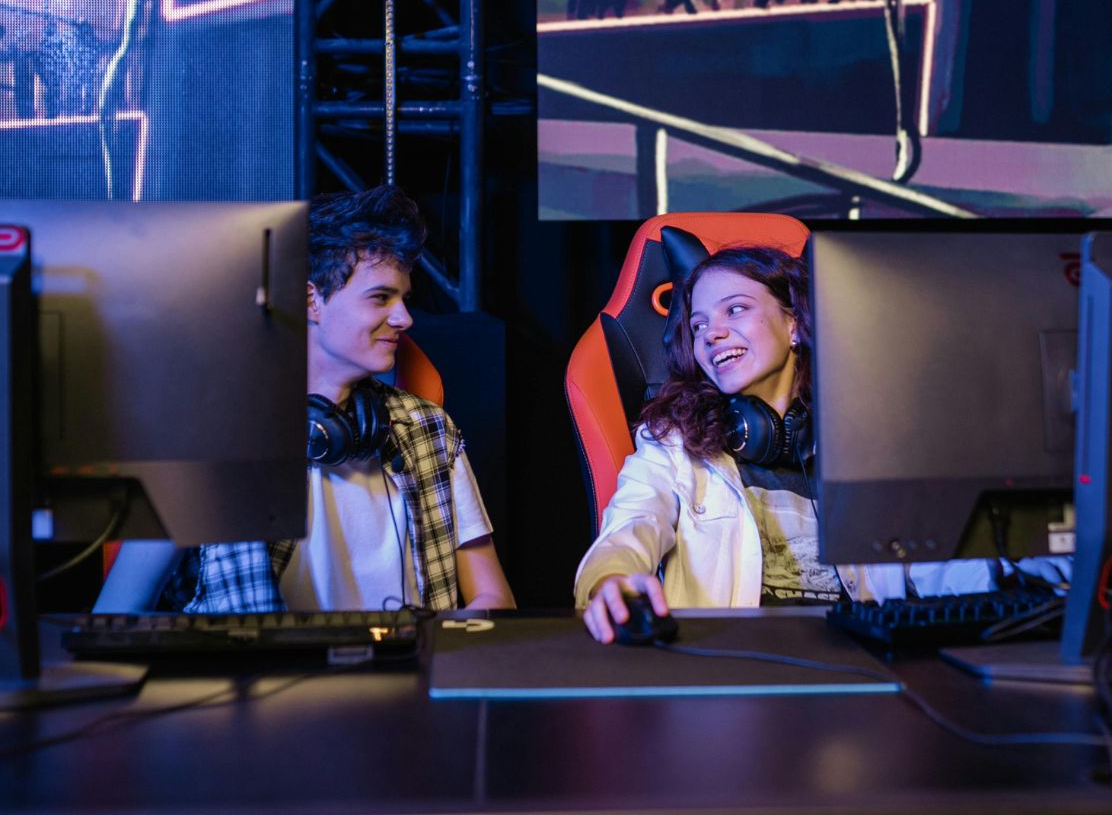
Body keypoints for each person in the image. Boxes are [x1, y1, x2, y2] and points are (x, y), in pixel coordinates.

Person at [574, 245, 1062, 643]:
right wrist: (612, 581)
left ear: (794, 325)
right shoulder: (673, 445)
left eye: (735, 309)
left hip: (860, 676)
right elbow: (631, 526)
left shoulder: (870, 442)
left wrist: (1034, 567)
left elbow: (933, 570)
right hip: (729, 672)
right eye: (698, 325)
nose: (711, 333)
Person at [102, 186, 515, 613]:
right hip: (265, 676)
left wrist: (450, 648)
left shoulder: (428, 431)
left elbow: (495, 599)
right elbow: (117, 613)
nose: (404, 318)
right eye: (380, 297)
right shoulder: (210, 441)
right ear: (310, 300)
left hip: (412, 672)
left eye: (404, 298)